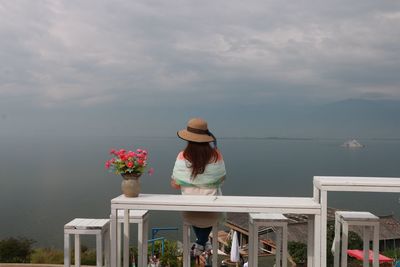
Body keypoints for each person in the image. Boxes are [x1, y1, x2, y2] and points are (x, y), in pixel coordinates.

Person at [171, 118, 226, 256]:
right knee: (209, 208)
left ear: (188, 138)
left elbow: (175, 184)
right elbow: (221, 180)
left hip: (190, 212)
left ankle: (201, 243)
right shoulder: (216, 156)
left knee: (196, 213)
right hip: (212, 212)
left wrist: (189, 181)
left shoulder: (182, 156)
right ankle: (202, 242)